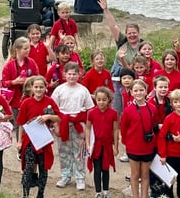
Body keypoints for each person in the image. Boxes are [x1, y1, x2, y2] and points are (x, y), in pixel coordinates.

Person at [16, 75, 61, 198]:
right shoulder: (26, 102)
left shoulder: (49, 102)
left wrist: (48, 117)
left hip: (43, 141)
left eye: (41, 87)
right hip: (29, 141)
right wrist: (19, 141)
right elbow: (20, 123)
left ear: (45, 88)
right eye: (36, 87)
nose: (39, 89)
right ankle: (25, 194)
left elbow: (58, 117)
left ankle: (40, 193)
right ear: (32, 88)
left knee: (43, 167)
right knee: (28, 168)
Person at [52, 62, 94, 190]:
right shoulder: (59, 89)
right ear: (65, 75)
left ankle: (80, 177)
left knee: (79, 151)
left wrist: (88, 128)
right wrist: (56, 125)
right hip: (63, 121)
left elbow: (90, 109)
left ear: (79, 75)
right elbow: (53, 109)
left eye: (74, 74)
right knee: (64, 150)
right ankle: (65, 175)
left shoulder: (83, 90)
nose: (71, 76)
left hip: (78, 122)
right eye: (69, 74)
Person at [99, 0, 141, 116]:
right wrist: (106, 9)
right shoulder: (122, 41)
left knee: (131, 107)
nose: (132, 35)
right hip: (117, 78)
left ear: (138, 33)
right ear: (126, 34)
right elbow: (113, 26)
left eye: (134, 33)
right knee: (117, 107)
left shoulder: (142, 45)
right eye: (129, 33)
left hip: (132, 79)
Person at [120, 80, 157, 198]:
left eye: (141, 90)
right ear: (131, 92)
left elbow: (154, 126)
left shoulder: (152, 108)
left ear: (146, 91)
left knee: (145, 175)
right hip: (133, 147)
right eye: (135, 90)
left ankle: (144, 196)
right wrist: (127, 143)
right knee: (135, 174)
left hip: (147, 146)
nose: (139, 93)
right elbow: (123, 128)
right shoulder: (128, 110)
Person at [85, 86, 119, 198]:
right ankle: (98, 192)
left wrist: (116, 146)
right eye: (99, 99)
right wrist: (88, 144)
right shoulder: (91, 113)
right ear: (95, 99)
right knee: (97, 169)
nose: (101, 102)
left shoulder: (113, 113)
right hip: (96, 145)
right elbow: (88, 128)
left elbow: (115, 130)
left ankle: (106, 190)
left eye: (104, 99)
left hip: (107, 145)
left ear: (109, 99)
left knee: (105, 168)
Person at [1, 37, 39, 121]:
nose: (28, 50)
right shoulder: (9, 65)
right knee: (18, 123)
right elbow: (3, 83)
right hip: (15, 100)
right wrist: (14, 82)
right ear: (17, 50)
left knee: (31, 121)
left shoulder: (31, 62)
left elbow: (37, 78)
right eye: (25, 48)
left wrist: (29, 81)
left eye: (29, 48)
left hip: (30, 97)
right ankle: (19, 134)